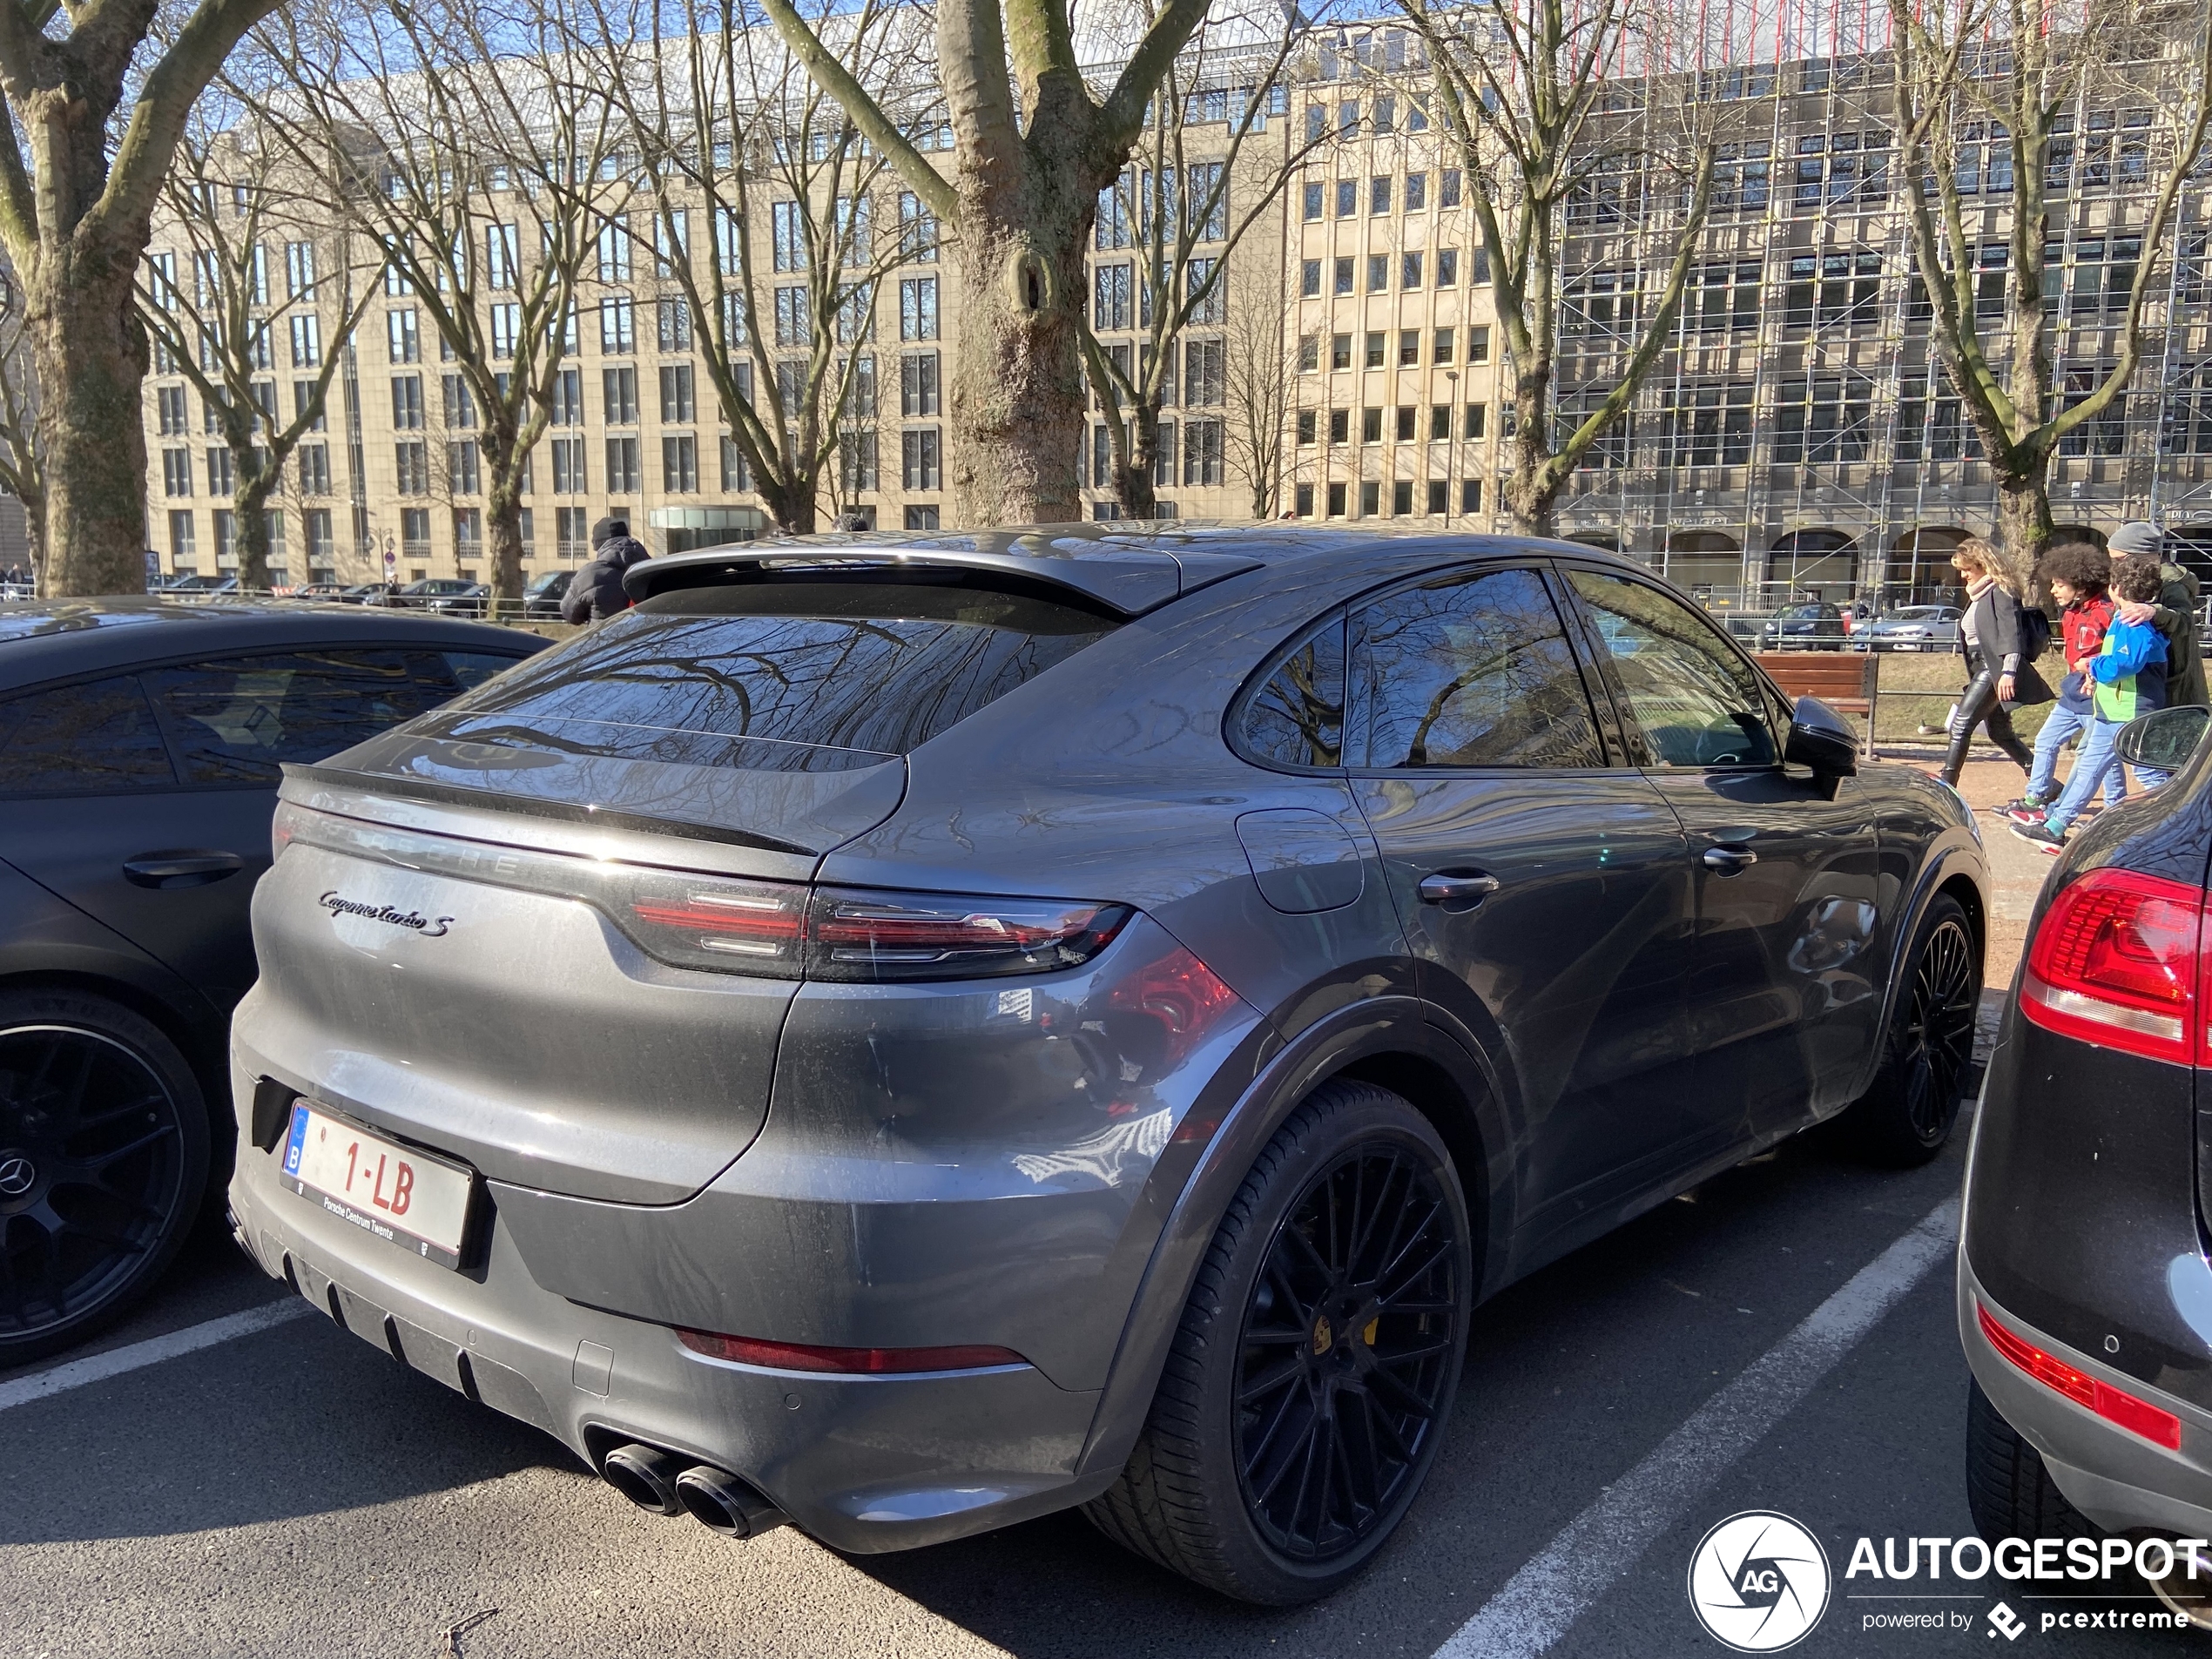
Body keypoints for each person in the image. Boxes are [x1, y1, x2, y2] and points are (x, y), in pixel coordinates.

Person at [2012, 556, 2168, 851]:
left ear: (2117, 588)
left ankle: (2181, 820)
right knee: (2089, 769)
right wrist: (2097, 666)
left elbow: (2124, 665)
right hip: (2113, 710)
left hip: (2129, 713)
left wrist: (2091, 667)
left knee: (2147, 773)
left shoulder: (2134, 624)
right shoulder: (2125, 620)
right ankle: (2055, 827)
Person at [2006, 543, 2121, 826]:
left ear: (2080, 587)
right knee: (2045, 740)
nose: (2053, 591)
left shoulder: (2108, 613)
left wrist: (2097, 678)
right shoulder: (2070, 613)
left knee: (2098, 757)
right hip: (2072, 693)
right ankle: (2036, 797)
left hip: (2097, 695)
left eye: (2059, 585)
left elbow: (2115, 656)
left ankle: (2114, 807)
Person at [1938, 537, 2050, 787]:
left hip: (1994, 669)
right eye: (1962, 570)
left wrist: (2008, 671)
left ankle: (1947, 783)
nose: (1964, 575)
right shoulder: (1979, 593)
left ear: (1984, 564)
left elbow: (2013, 635)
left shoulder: (2001, 590)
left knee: (1961, 725)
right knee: (2000, 732)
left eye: (1968, 569)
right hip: (1983, 667)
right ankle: (2044, 782)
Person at [2107, 520, 2208, 713]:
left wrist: (2154, 611)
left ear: (2139, 556)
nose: (2114, 566)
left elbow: (2185, 621)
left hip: (2172, 676)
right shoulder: (2133, 576)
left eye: (2118, 560)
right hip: (2140, 676)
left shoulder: (2172, 583)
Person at [559, 516, 651, 624]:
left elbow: (568, 612)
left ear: (599, 544)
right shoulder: (650, 568)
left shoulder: (590, 574)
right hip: (647, 638)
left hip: (603, 638)